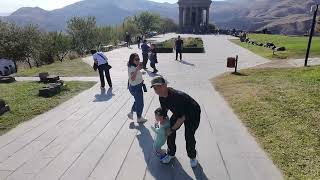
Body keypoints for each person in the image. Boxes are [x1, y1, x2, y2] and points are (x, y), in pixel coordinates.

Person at [150, 76, 201, 168]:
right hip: (179, 113)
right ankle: (171, 153)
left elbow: (182, 118)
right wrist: (157, 126)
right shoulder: (161, 97)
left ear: (165, 85)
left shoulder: (177, 97)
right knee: (169, 132)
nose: (157, 90)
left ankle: (192, 156)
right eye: (155, 88)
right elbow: (163, 114)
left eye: (159, 87)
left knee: (189, 136)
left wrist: (172, 129)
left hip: (193, 113)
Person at [127, 53, 147, 123]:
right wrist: (137, 70)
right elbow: (132, 78)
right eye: (136, 59)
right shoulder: (133, 68)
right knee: (140, 103)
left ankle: (131, 113)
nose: (138, 60)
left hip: (133, 87)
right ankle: (139, 117)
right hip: (136, 88)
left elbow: (133, 75)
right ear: (132, 60)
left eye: (138, 59)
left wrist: (139, 72)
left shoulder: (132, 65)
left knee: (137, 101)